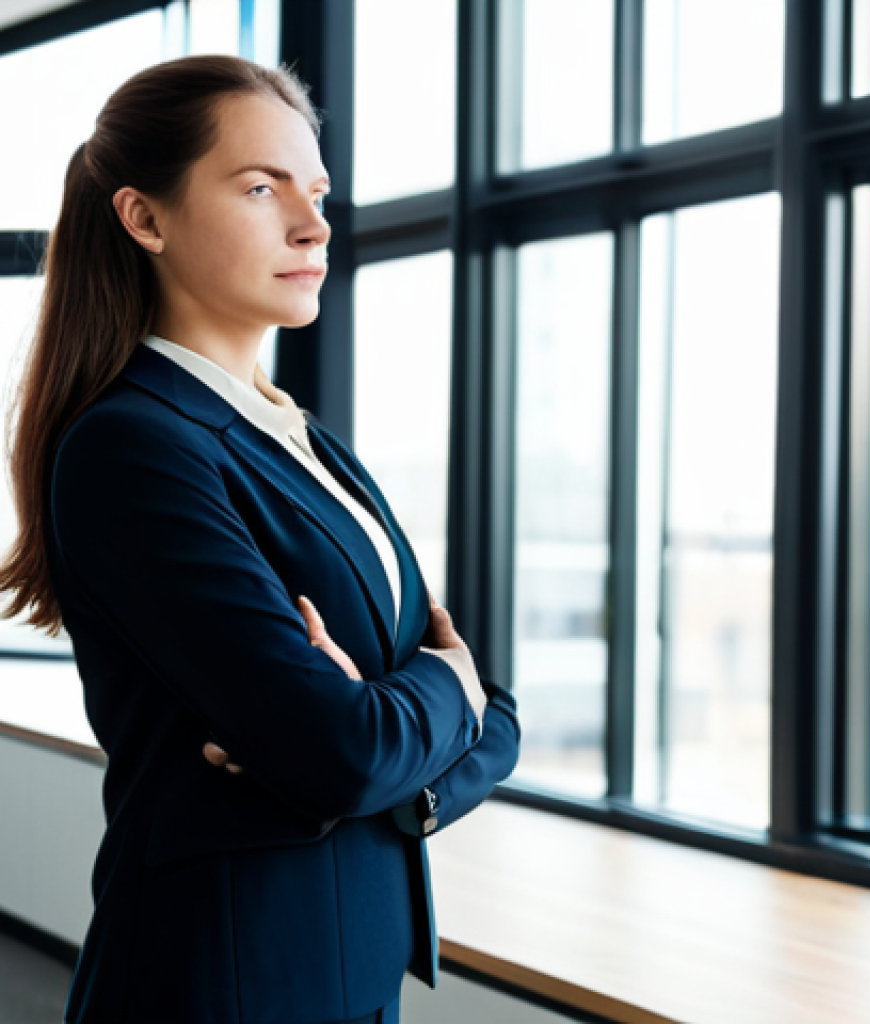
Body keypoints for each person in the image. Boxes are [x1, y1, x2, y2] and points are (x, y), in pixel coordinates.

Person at [0, 54, 521, 1024]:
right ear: (144, 218)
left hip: (345, 976)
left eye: (316, 192)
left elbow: (495, 722)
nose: (313, 224)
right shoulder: (132, 449)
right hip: (225, 987)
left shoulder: (307, 441)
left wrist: (388, 751)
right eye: (258, 187)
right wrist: (434, 689)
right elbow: (355, 742)